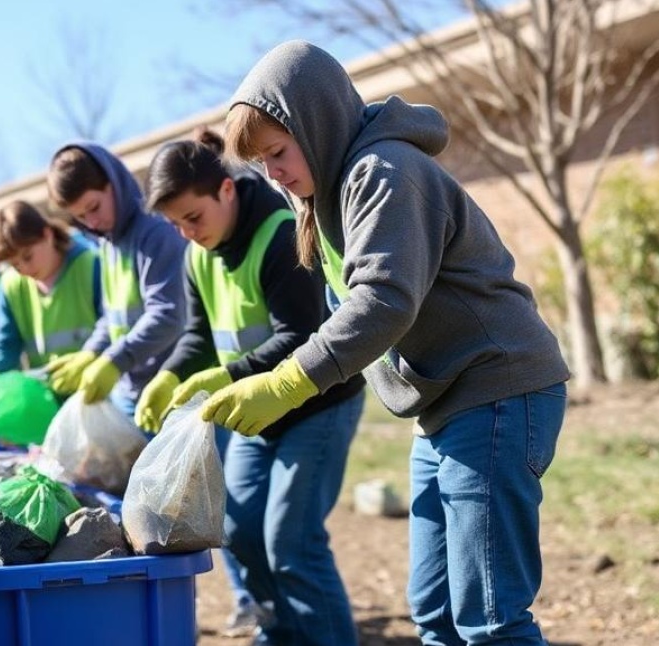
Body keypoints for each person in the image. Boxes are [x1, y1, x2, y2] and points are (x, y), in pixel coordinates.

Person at [210, 41, 571, 645]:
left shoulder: (382, 173)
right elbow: (346, 314)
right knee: (434, 614)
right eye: (261, 164)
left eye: (277, 152)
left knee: (489, 618)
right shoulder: (325, 201)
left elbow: (383, 301)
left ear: (316, 121)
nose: (272, 173)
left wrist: (288, 382)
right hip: (444, 408)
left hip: (497, 392)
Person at [140, 130, 366, 645]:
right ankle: (280, 635)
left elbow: (301, 335)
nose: (187, 233)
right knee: (240, 532)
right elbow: (198, 333)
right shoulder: (199, 253)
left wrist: (227, 375)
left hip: (318, 405)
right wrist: (170, 373)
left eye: (192, 218)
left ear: (225, 190)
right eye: (176, 225)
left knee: (292, 542)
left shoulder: (280, 235)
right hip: (255, 416)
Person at [45, 143, 186, 417]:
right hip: (131, 392)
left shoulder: (155, 234)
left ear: (113, 183)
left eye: (94, 207)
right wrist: (92, 352)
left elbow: (168, 316)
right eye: (81, 217)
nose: (92, 222)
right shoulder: (108, 243)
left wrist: (113, 360)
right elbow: (114, 318)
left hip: (169, 392)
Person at [0, 200, 101, 395]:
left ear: (47, 234)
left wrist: (93, 354)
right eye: (14, 264)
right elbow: (6, 343)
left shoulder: (91, 264)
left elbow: (112, 324)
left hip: (96, 388)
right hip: (48, 395)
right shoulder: (10, 285)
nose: (24, 269)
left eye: (27, 256)